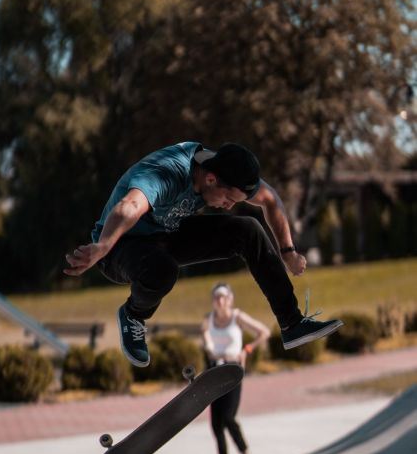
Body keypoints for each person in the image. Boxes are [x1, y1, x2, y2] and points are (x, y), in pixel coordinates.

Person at [64, 141, 342, 366]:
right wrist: (101, 246)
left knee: (248, 229)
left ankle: (292, 323)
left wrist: (288, 251)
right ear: (210, 178)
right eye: (228, 199)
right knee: (162, 269)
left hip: (166, 236)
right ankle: (133, 315)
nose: (229, 206)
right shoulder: (168, 172)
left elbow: (270, 200)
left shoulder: (219, 167)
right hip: (119, 247)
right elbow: (130, 205)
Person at [202, 282, 269, 454]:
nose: (220, 300)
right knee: (215, 422)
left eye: (223, 297)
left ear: (230, 299)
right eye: (216, 297)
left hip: (233, 372)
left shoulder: (237, 316)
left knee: (229, 417)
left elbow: (264, 332)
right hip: (215, 371)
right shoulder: (209, 320)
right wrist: (208, 346)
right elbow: (207, 342)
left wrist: (246, 350)